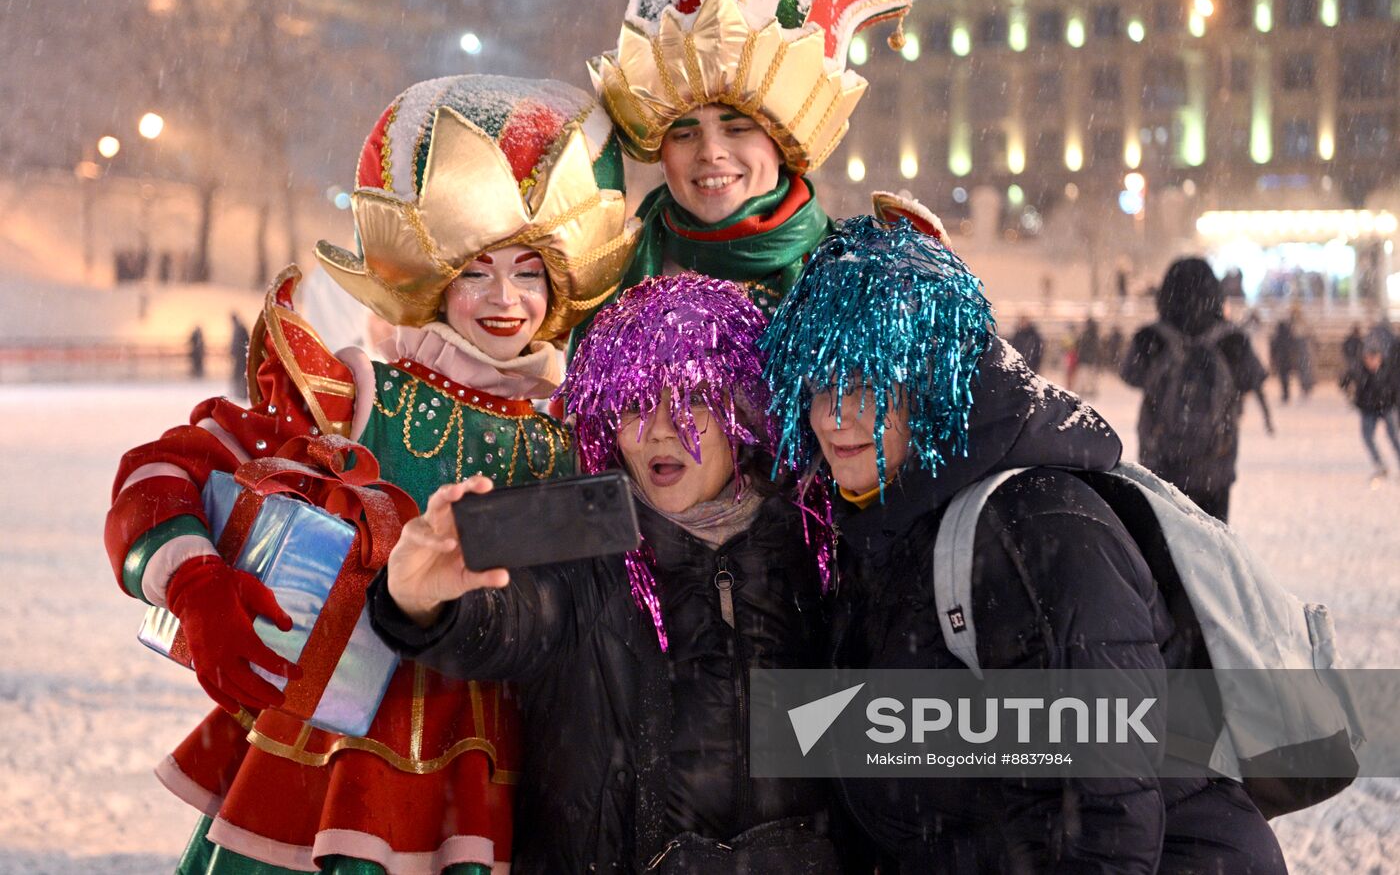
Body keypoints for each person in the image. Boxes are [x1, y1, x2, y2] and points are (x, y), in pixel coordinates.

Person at [104, 76, 637, 874]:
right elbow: (162, 472)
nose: (505, 299)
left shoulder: (577, 441)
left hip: (498, 787)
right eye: (476, 270)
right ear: (431, 276)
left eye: (530, 272)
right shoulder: (357, 399)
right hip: (332, 770)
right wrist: (194, 585)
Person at [760, 216, 1286, 874]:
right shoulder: (881, 521)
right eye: (818, 385)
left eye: (867, 383)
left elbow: (1114, 809)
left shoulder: (1037, 521)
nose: (835, 417)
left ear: (932, 380)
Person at [370, 275, 842, 873]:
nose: (661, 430)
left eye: (692, 400)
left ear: (741, 412)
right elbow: (505, 620)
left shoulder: (814, 547)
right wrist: (417, 598)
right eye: (634, 405)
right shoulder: (580, 542)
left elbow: (888, 741)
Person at [586, 0, 910, 316]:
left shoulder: (856, 285)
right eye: (685, 134)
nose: (710, 152)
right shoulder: (614, 280)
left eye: (737, 129)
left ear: (781, 144)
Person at [1121, 257, 1271, 522]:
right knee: (1211, 549)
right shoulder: (1232, 340)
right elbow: (1253, 377)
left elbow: (1129, 374)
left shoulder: (1151, 339)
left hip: (1160, 466)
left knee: (1164, 547)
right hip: (1215, 466)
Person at [1340, 342, 1400, 480]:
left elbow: (1396, 391)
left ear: (1379, 358)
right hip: (1368, 409)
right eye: (1368, 358)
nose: (1371, 361)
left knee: (1393, 437)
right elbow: (1344, 382)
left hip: (1387, 406)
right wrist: (1351, 394)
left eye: (1374, 358)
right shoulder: (1359, 370)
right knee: (1367, 437)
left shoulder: (1389, 370)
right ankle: (1380, 465)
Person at [1270, 317, 1298, 403]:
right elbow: (1294, 348)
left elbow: (1273, 350)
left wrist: (1273, 360)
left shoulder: (1277, 337)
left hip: (1281, 360)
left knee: (1283, 378)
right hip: (1287, 360)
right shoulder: (1289, 336)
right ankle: (1286, 393)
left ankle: (1285, 393)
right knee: (1286, 378)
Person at [228, 312, 250, 400]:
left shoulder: (240, 328)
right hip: (238, 357)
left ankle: (242, 394)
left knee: (241, 375)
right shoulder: (237, 328)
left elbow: (245, 342)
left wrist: (239, 352)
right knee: (237, 375)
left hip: (241, 357)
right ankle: (238, 393)